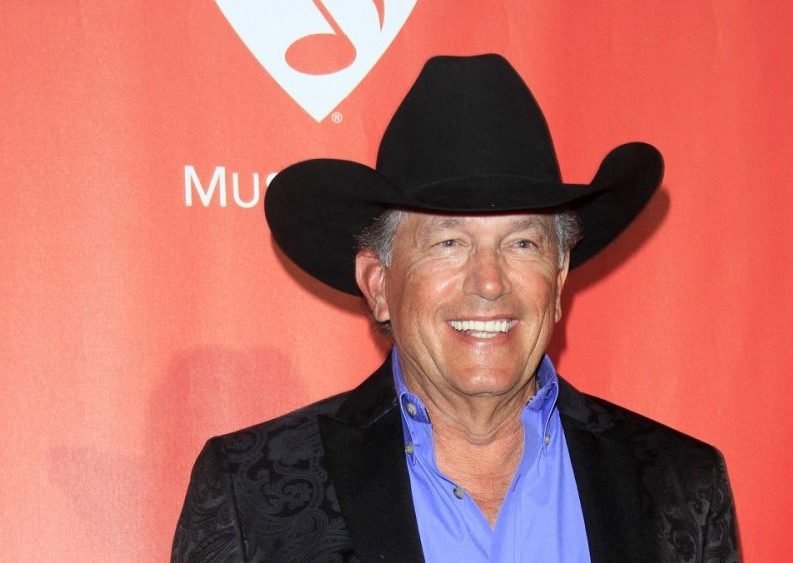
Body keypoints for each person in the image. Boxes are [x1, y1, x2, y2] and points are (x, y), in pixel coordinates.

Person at [172, 54, 740, 563]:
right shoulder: (252, 492)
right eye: (448, 243)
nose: (489, 282)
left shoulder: (681, 485)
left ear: (559, 275)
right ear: (378, 283)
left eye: (522, 244)